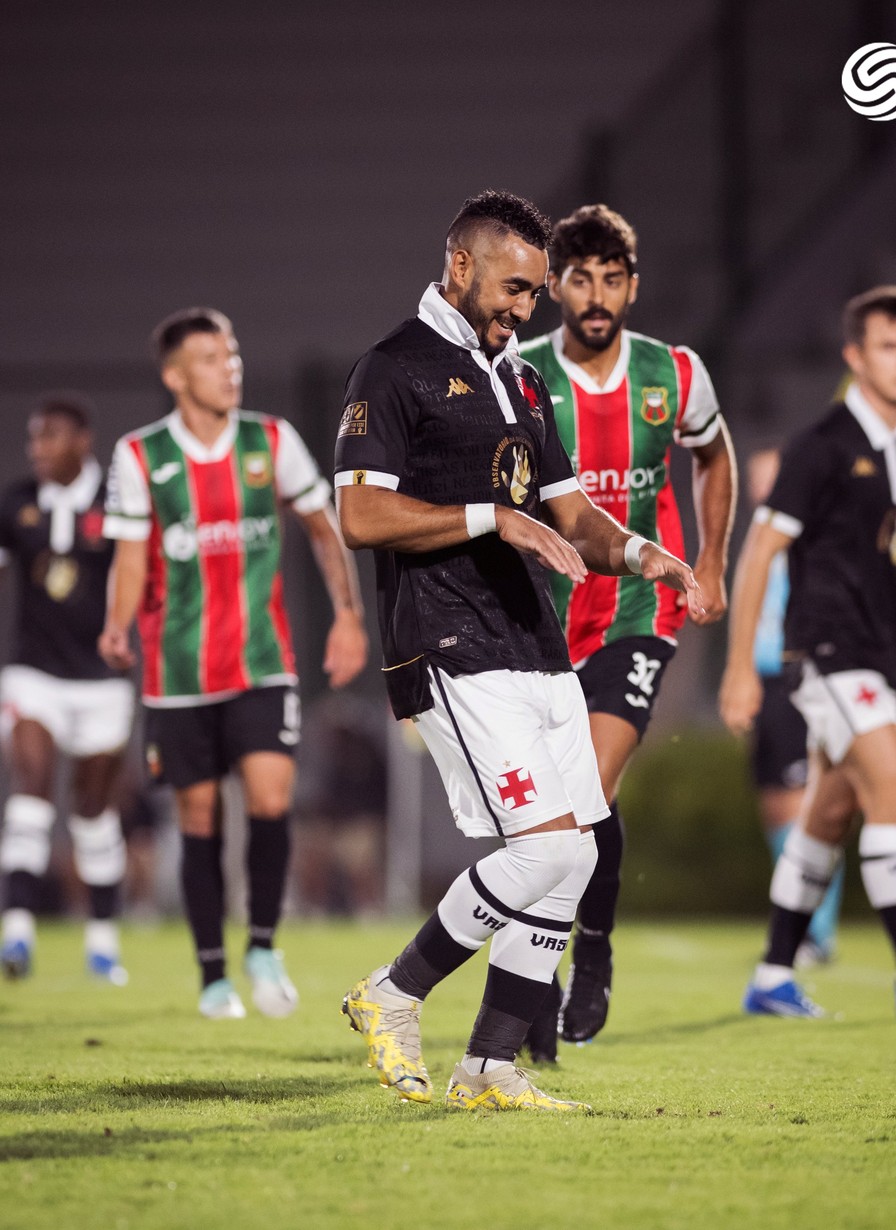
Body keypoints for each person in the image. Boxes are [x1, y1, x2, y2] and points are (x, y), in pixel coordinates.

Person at [335, 190, 702, 1112]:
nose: (523, 309)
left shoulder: (522, 379)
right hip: (449, 641)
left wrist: (646, 553)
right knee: (540, 852)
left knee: (574, 856)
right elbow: (360, 512)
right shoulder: (393, 368)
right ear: (458, 265)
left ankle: (490, 1068)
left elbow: (571, 514)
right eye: (512, 287)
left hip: (534, 644)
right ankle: (393, 993)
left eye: (534, 295)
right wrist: (492, 517)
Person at [719, 285, 896, 1019]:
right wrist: (742, 667)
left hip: (881, 658)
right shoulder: (822, 446)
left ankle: (773, 976)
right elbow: (759, 555)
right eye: (891, 347)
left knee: (828, 814)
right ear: (855, 356)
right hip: (826, 652)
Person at [99, 308, 368, 1019]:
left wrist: (348, 615)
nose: (231, 366)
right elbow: (130, 558)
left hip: (261, 663)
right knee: (198, 815)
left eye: (234, 353)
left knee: (272, 798)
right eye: (213, 358)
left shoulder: (272, 441)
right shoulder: (140, 456)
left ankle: (263, 946)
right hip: (178, 675)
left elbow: (321, 525)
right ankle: (213, 974)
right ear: (176, 376)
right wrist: (116, 625)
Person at [517, 203, 735, 1053]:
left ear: (633, 286)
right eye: (580, 279)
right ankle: (545, 974)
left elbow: (714, 455)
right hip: (541, 619)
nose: (597, 294)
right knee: (539, 815)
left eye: (612, 279)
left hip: (641, 613)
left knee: (587, 791)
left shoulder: (674, 372)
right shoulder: (523, 374)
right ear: (556, 288)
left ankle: (585, 958)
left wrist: (710, 559)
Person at [0, 393, 134, 983]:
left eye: (49, 437)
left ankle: (102, 940)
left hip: (103, 681)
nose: (37, 449)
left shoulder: (118, 501)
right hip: (34, 674)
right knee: (30, 785)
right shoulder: (17, 503)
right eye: (33, 438)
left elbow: (145, 574)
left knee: (92, 812)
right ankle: (17, 934)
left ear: (83, 442)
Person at [744, 446, 843, 968]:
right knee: (775, 807)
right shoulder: (765, 536)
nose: (761, 488)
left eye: (770, 478)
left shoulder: (806, 533)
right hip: (766, 682)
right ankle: (800, 922)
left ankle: (814, 932)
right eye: (756, 480)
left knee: (806, 805)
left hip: (796, 676)